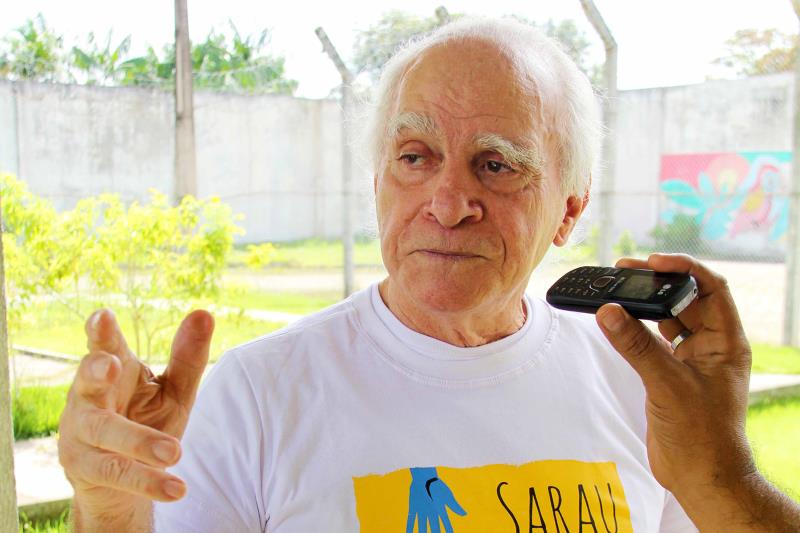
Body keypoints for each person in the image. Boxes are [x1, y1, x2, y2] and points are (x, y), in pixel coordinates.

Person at [57, 17, 800, 532]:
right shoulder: (256, 395)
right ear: (378, 181)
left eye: (496, 164)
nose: (447, 203)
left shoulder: (646, 392)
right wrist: (110, 511)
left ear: (568, 210)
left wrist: (727, 479)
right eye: (415, 157)